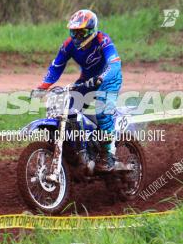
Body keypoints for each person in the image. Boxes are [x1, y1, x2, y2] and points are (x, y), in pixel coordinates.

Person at [33, 9, 123, 171]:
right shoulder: (68, 45)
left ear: (91, 31)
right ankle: (78, 149)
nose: (76, 37)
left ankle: (107, 155)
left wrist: (102, 77)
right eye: (73, 32)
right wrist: (43, 87)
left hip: (109, 80)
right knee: (67, 111)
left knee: (102, 113)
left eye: (80, 33)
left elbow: (115, 64)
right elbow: (56, 66)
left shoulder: (103, 40)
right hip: (86, 81)